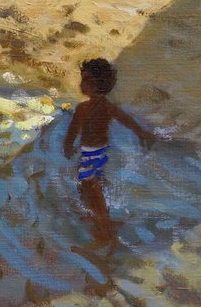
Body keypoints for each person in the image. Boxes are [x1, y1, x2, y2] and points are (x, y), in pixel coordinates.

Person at [63, 58, 157, 248]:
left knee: (91, 189)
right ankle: (99, 217)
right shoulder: (87, 107)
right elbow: (73, 130)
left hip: (96, 154)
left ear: (98, 83)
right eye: (83, 79)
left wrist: (141, 133)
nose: (81, 84)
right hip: (91, 153)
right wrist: (68, 145)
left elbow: (125, 119)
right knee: (87, 188)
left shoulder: (100, 107)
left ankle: (105, 232)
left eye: (86, 80)